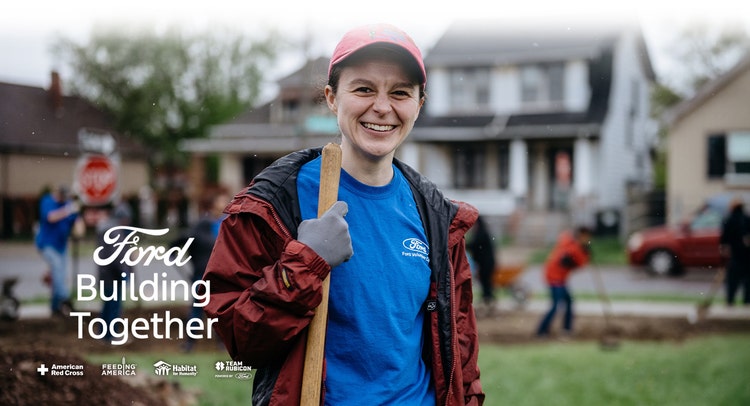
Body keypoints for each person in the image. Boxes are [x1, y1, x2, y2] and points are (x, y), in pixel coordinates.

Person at [202, 23, 484, 406]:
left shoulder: (435, 215)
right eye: (364, 89)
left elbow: (460, 346)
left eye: (400, 92)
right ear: (332, 98)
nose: (382, 107)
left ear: (419, 104)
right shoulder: (274, 203)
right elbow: (241, 339)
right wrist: (305, 264)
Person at [173, 192, 228, 352]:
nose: (224, 204)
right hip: (202, 274)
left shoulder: (227, 222)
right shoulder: (203, 224)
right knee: (197, 309)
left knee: (220, 310)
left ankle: (222, 343)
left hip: (221, 275)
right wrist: (173, 252)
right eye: (221, 201)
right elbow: (184, 239)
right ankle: (189, 343)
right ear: (212, 205)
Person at [536, 226, 592, 338]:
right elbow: (573, 261)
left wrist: (585, 253)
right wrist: (584, 253)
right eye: (586, 237)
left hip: (559, 278)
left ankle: (566, 329)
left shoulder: (570, 242)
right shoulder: (572, 246)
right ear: (581, 236)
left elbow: (578, 263)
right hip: (555, 278)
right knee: (556, 305)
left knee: (568, 302)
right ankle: (542, 331)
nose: (588, 240)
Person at [35, 185, 81, 316]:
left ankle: (55, 307)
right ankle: (65, 299)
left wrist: (78, 221)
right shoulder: (48, 201)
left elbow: (77, 222)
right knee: (57, 268)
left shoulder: (68, 204)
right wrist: (68, 210)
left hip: (61, 246)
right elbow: (50, 217)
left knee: (59, 274)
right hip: (47, 244)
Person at [95, 202, 133, 343]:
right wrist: (124, 272)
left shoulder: (107, 230)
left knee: (108, 305)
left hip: (106, 275)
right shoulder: (115, 232)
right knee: (114, 306)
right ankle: (111, 335)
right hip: (113, 276)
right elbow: (117, 257)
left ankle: (103, 334)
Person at [719, 197, 750, 306]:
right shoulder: (747, 219)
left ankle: (730, 301)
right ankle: (747, 301)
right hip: (747, 257)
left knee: (732, 281)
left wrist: (723, 254)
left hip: (735, 256)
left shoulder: (729, 220)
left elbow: (724, 240)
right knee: (747, 281)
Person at [467, 215, 497, 314]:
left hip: (486, 264)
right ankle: (489, 303)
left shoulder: (481, 234)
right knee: (486, 284)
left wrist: (462, 244)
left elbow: (474, 245)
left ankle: (488, 303)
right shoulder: (483, 233)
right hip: (486, 263)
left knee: (486, 284)